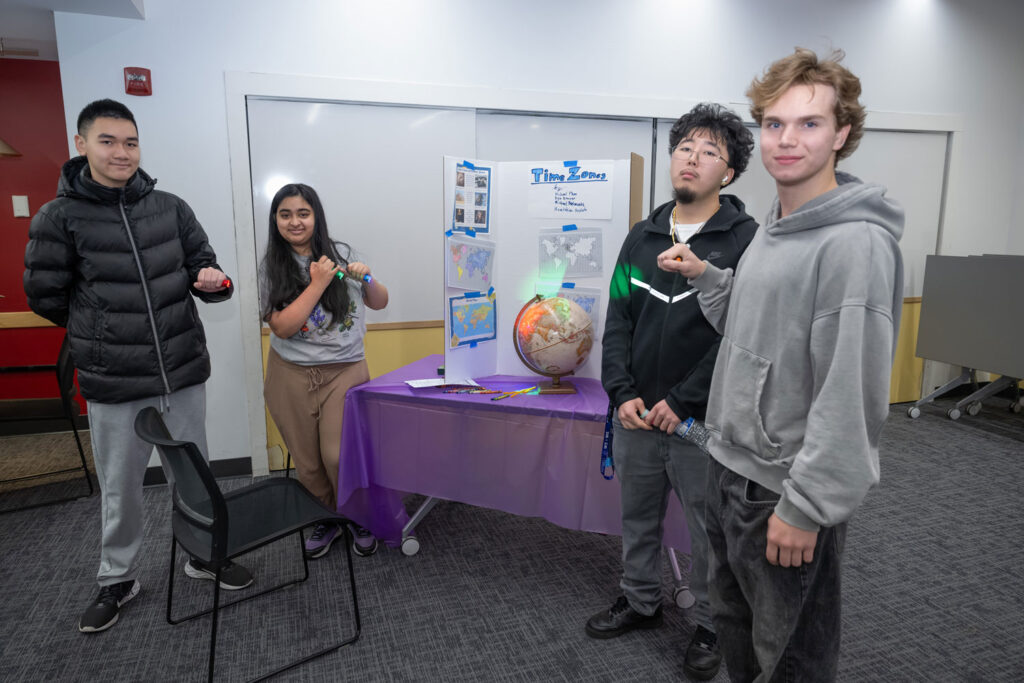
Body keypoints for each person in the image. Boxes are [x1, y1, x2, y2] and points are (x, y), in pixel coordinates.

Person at [658, 49, 904, 681]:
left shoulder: (856, 245)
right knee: (738, 639)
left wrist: (807, 506)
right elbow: (752, 323)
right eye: (774, 123)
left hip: (781, 492)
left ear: (842, 133)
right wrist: (712, 278)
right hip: (727, 465)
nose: (787, 140)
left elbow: (852, 396)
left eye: (810, 123)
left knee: (792, 659)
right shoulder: (775, 226)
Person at [23, 98, 251, 634]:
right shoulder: (58, 217)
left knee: (193, 477)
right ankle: (117, 578)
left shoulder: (169, 207)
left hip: (181, 371)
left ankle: (202, 556)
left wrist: (213, 282)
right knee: (122, 488)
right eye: (107, 141)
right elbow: (45, 295)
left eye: (130, 142)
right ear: (81, 145)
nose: (121, 152)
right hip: (114, 382)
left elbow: (203, 264)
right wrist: (100, 329)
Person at [587, 103, 757, 681]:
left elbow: (742, 337)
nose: (693, 157)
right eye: (685, 146)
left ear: (728, 173)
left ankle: (712, 624)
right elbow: (618, 318)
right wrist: (621, 391)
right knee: (637, 519)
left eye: (710, 151)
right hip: (636, 415)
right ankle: (640, 601)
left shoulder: (745, 241)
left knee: (712, 530)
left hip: (700, 422)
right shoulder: (642, 234)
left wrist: (683, 401)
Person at [259, 183, 389, 559]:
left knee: (338, 454)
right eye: (285, 214)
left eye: (303, 213)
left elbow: (379, 302)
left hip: (344, 371)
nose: (295, 222)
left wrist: (367, 279)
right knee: (309, 462)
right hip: (290, 374)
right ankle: (327, 518)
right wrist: (317, 283)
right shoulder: (271, 267)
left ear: (316, 216)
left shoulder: (342, 255)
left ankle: (358, 515)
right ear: (275, 220)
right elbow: (282, 327)